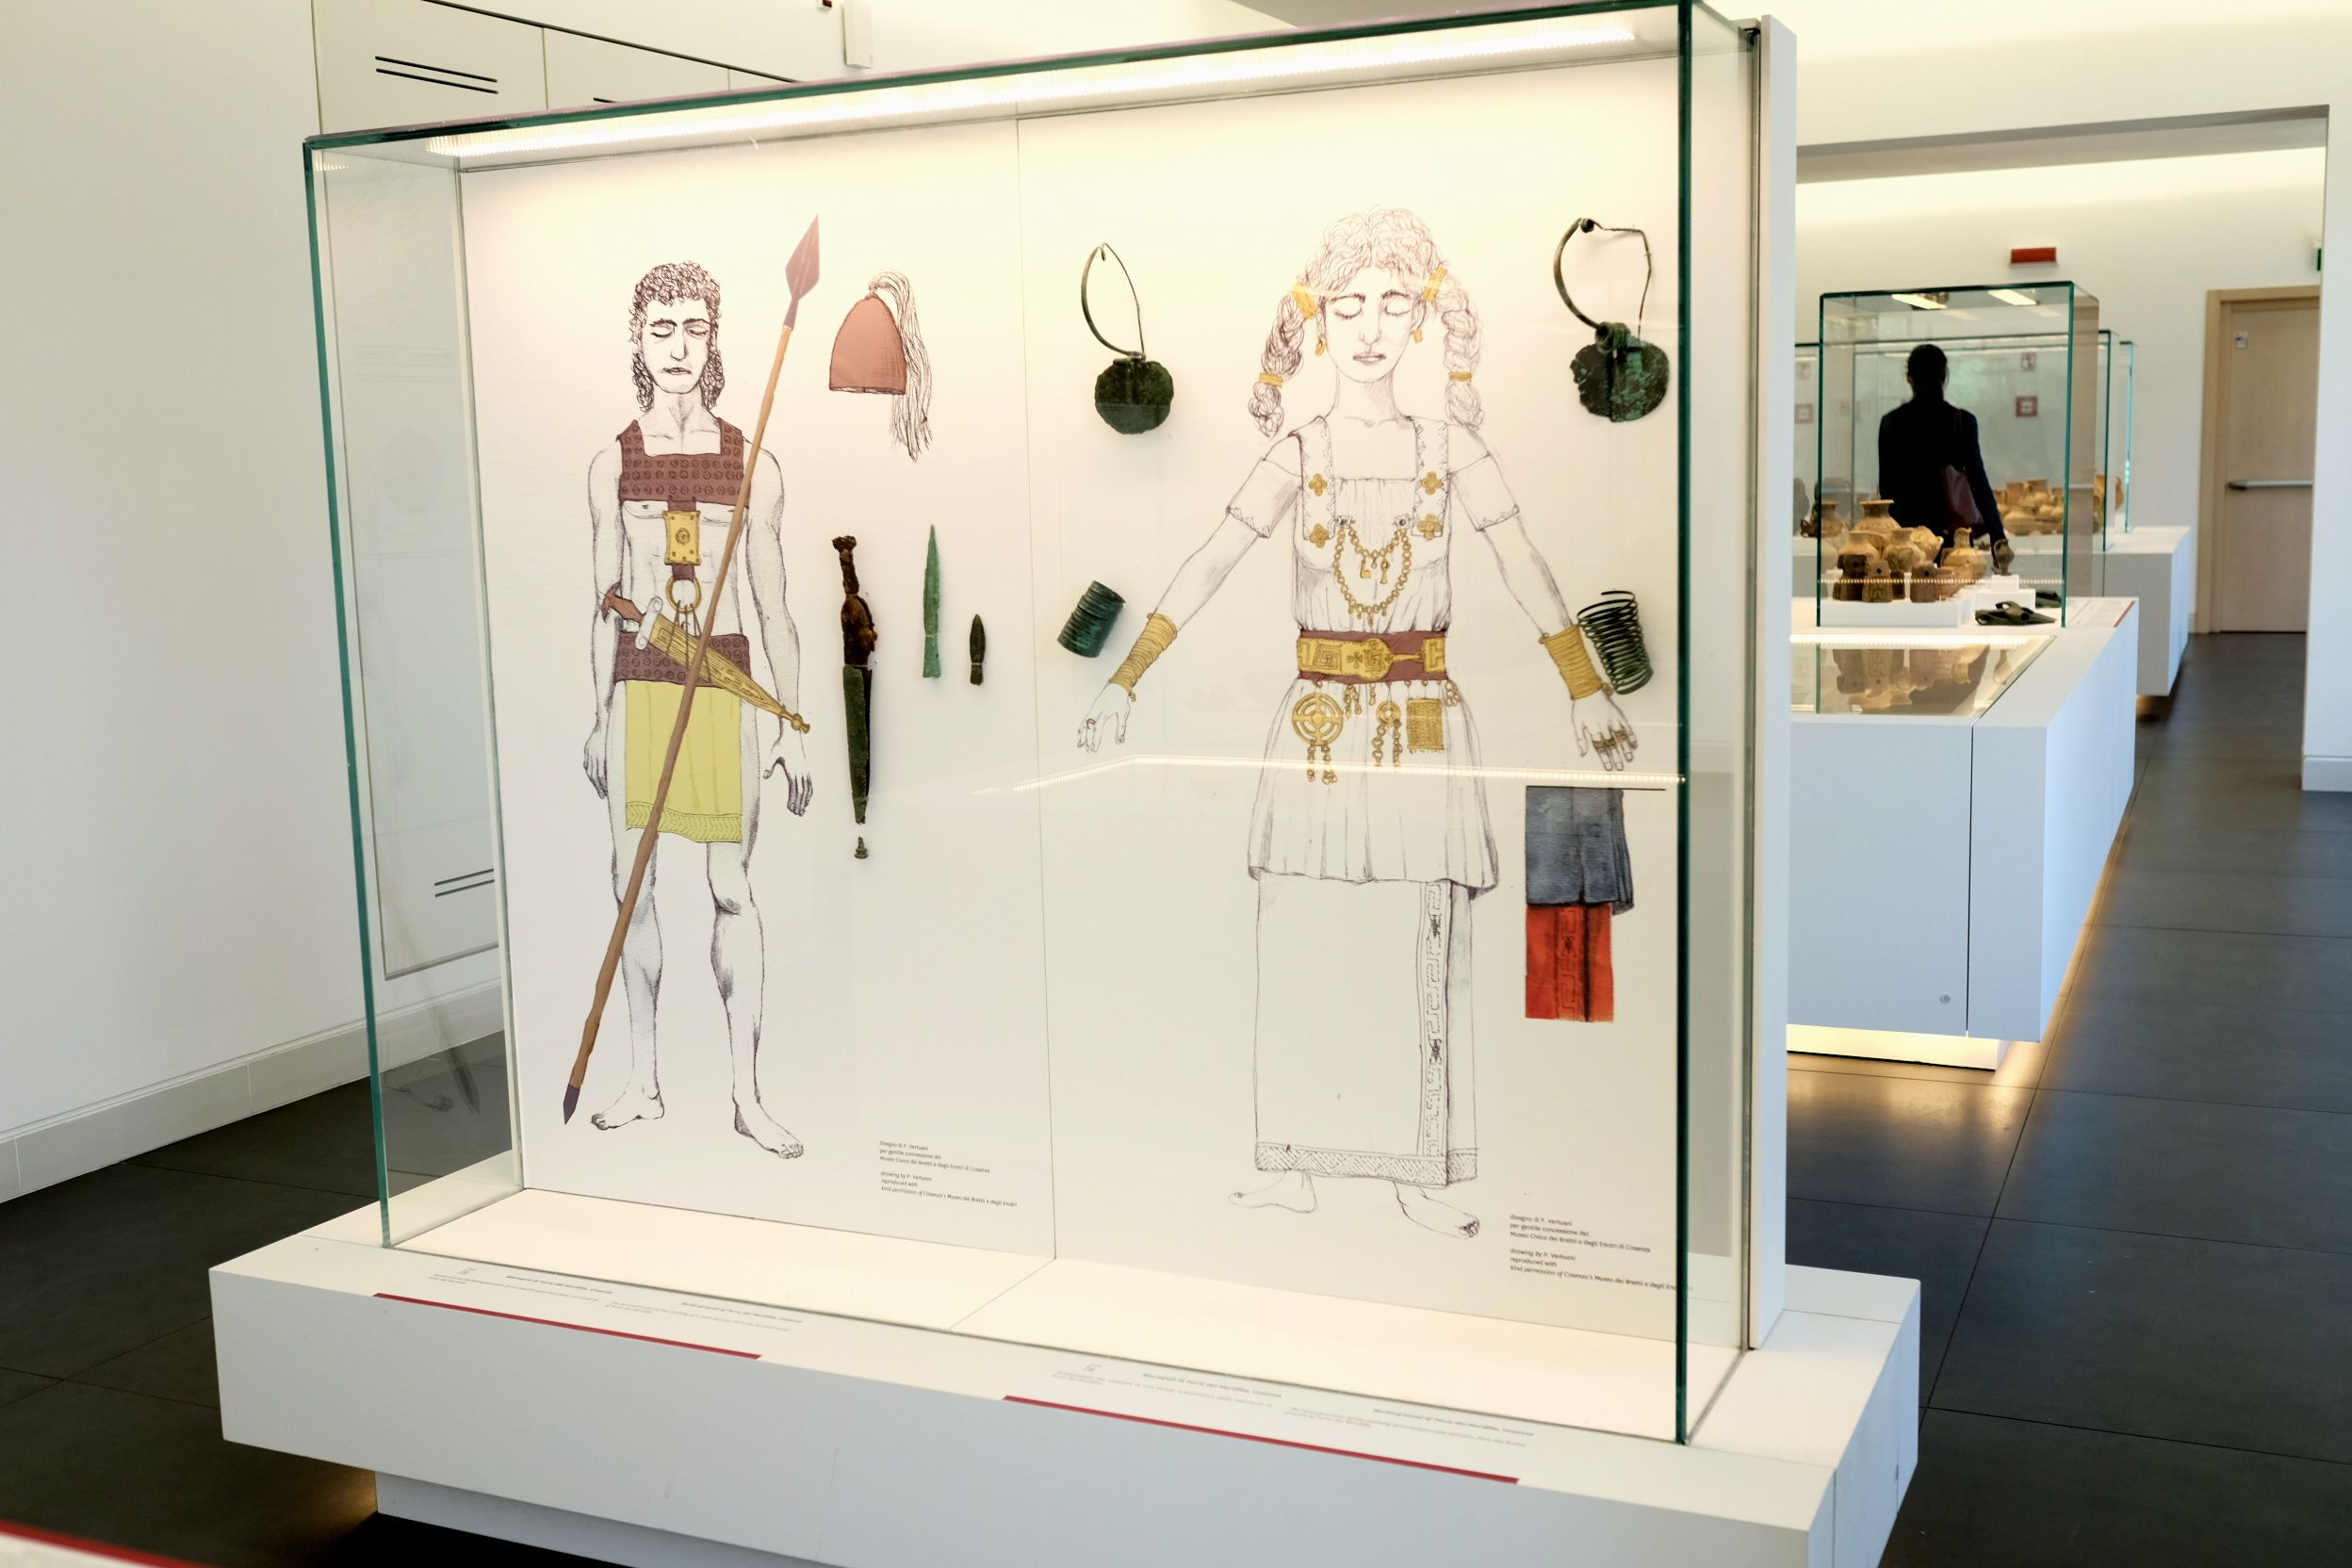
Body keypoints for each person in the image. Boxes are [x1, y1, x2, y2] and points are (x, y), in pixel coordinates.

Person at [1076, 208, 1634, 1240]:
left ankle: (1421, 1170)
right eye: (1347, 307)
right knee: (1300, 932)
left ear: (1421, 318)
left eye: (1391, 304)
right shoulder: (1301, 451)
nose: (1370, 327)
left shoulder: (1452, 447)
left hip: (1421, 715)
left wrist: (1584, 686)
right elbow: (1211, 557)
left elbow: (1522, 562)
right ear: (1318, 321)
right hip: (1319, 721)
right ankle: (1298, 1159)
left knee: (1422, 932)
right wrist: (1129, 678)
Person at [580, 262, 813, 1155]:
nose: (678, 347)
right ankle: (644, 1080)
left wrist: (790, 727)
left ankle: (747, 1094)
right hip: (641, 686)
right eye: (661, 329)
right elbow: (603, 602)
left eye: (694, 328)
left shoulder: (753, 465)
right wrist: (598, 715)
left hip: (723, 688)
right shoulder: (613, 464)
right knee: (631, 885)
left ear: (714, 339)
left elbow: (775, 608)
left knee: (730, 887)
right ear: (638, 341)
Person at [1876, 343, 2015, 576]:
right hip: (1953, 540)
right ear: (1944, 377)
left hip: (1905, 544)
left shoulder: (1891, 423)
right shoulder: (1961, 422)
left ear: (1909, 378)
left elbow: (1886, 491)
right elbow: (1978, 482)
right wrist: (1997, 537)